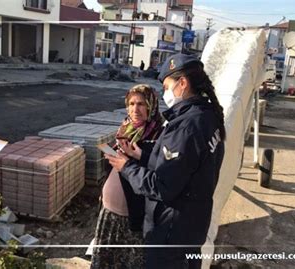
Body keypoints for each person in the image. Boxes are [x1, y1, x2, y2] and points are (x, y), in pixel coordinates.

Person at [105, 54, 226, 269]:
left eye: (167, 86)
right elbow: (186, 163)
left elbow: (162, 186)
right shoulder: (207, 116)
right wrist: (141, 155)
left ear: (182, 83)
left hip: (171, 231)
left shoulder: (186, 126)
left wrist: (126, 167)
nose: (165, 93)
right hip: (192, 225)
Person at [91, 84, 164, 269]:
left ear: (151, 105)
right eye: (131, 103)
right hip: (109, 214)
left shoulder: (160, 135)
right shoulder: (125, 128)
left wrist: (140, 156)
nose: (135, 109)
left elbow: (161, 172)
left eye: (141, 103)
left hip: (132, 218)